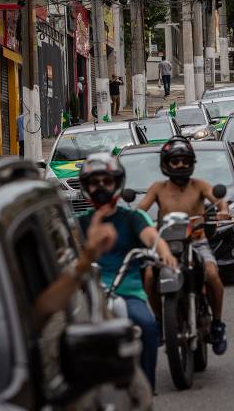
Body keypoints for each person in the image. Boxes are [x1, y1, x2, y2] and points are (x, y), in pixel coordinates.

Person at [77, 152, 176, 392]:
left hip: (128, 291)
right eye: (94, 182)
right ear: (86, 187)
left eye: (107, 181)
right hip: (89, 294)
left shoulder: (132, 218)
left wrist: (165, 253)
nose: (101, 187)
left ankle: (146, 390)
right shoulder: (79, 223)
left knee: (147, 326)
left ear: (117, 183)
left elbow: (152, 238)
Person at [138, 136, 229, 355]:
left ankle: (217, 324)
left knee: (212, 274)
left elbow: (218, 200)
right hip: (166, 245)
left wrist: (223, 210)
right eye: (175, 161)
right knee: (150, 276)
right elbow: (141, 209)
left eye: (184, 160)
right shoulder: (157, 188)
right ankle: (160, 321)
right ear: (165, 164)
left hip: (197, 242)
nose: (180, 165)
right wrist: (135, 219)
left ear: (191, 162)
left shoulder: (199, 185)